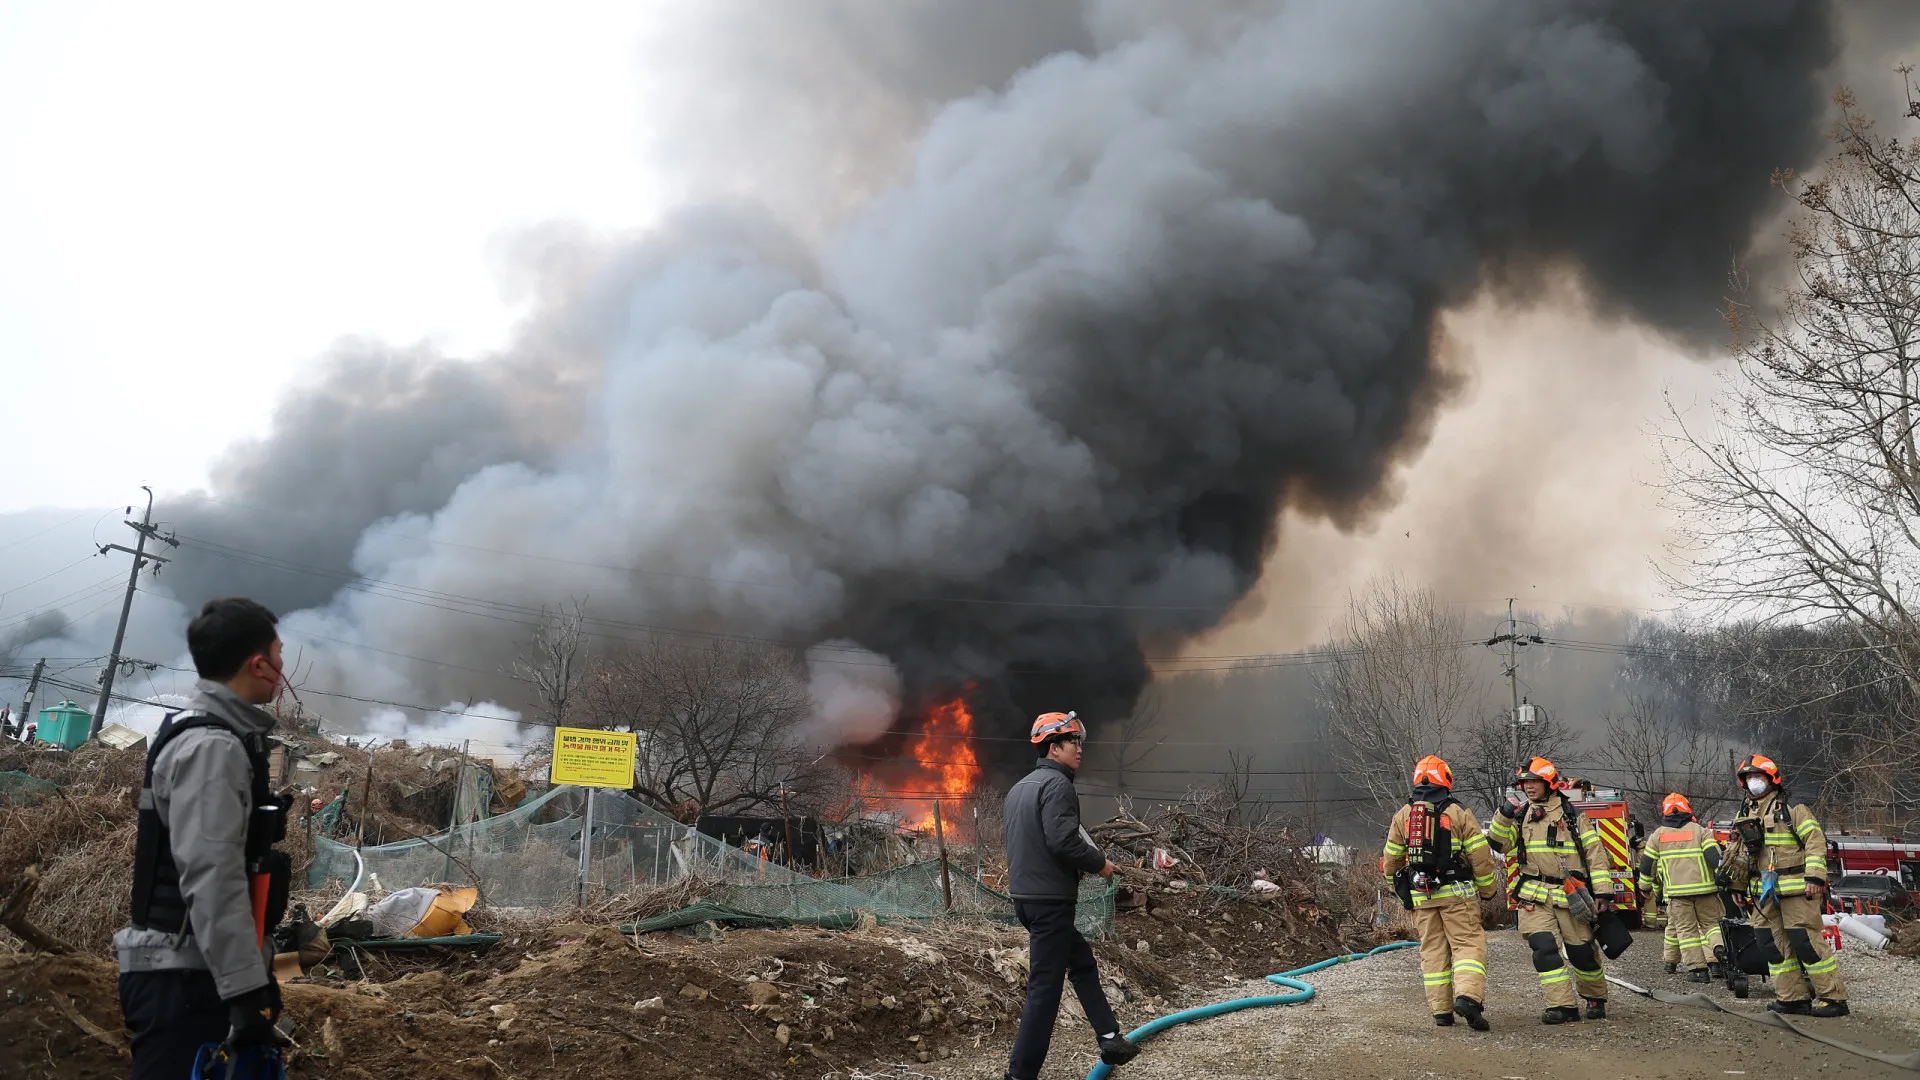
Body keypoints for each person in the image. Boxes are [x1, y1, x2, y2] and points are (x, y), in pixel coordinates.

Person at [115, 597, 291, 1079]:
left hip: (197, 971)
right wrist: (244, 992)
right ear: (259, 663)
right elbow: (213, 877)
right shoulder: (213, 748)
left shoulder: (214, 736)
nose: (282, 666)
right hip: (186, 980)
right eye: (279, 654)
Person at [1001, 710, 1138, 1080]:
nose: (1079, 748)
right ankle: (1020, 1074)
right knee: (1045, 991)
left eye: (1079, 741)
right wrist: (1101, 864)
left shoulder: (1020, 788)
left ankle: (1109, 1036)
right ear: (1053, 747)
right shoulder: (1057, 786)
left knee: (1081, 962)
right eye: (1073, 742)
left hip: (1027, 900)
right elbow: (1063, 841)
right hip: (1050, 902)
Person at [1486, 757, 1612, 1024]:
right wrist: (1504, 814)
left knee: (1582, 953)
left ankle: (1594, 997)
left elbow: (1596, 856)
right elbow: (1499, 845)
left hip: (1570, 894)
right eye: (1524, 782)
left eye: (1534, 781)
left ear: (1549, 783)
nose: (1528, 787)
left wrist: (1602, 893)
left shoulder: (1573, 816)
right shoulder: (1521, 817)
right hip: (1534, 893)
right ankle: (1562, 1006)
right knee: (1543, 949)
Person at [1379, 755, 1500, 1030]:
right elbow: (1481, 856)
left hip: (1421, 898)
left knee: (1432, 950)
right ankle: (1468, 997)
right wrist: (1488, 890)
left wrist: (1401, 893)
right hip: (1457, 895)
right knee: (1468, 945)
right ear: (1445, 779)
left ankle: (1441, 1012)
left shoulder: (1403, 815)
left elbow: (1391, 861)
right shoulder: (1458, 813)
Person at [1727, 755, 1847, 1017]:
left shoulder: (1793, 809)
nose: (1753, 782)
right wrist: (1737, 886)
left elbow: (1815, 842)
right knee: (1769, 943)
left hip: (1797, 888)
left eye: (1757, 776)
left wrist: (1815, 877)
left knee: (1805, 942)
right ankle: (1792, 998)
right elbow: (1739, 852)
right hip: (1763, 892)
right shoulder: (1744, 813)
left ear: (1772, 779)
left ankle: (1833, 998)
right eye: (1748, 778)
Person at [1636, 793, 1723, 983]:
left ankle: (1698, 971)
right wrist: (1723, 881)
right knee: (1711, 925)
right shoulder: (1700, 831)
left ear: (1665, 812)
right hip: (1707, 891)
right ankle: (1719, 949)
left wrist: (1645, 887)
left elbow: (1646, 865)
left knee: (1687, 931)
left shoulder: (1657, 835)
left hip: (1678, 895)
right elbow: (1715, 859)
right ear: (1687, 809)